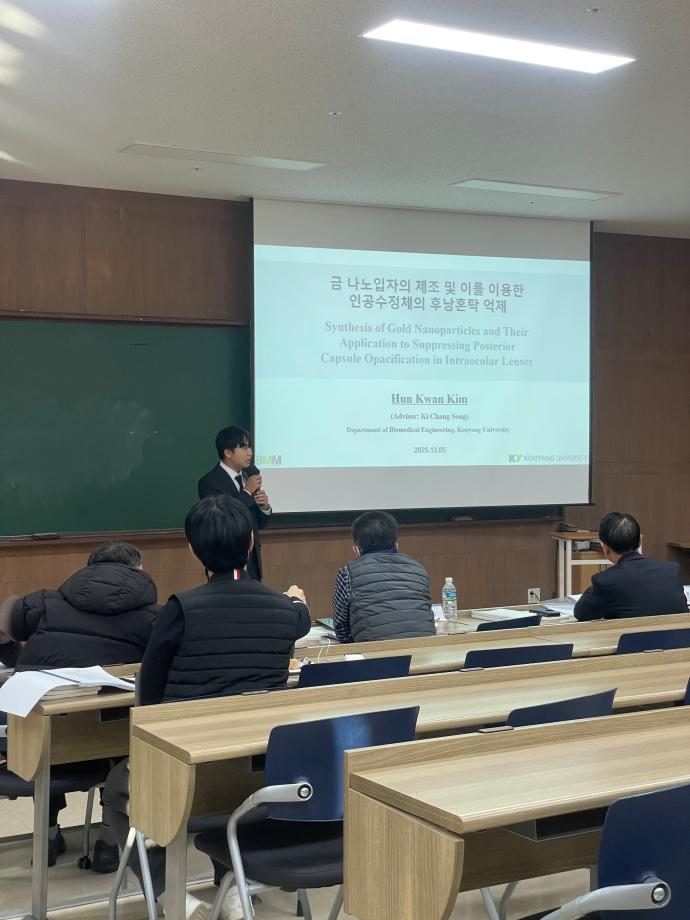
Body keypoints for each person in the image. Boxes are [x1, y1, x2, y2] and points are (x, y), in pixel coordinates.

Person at [105, 495, 310, 920]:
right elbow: (301, 619)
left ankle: (168, 894)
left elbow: (148, 697)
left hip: (189, 769)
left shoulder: (180, 610)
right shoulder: (284, 610)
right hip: (261, 772)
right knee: (226, 789)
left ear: (193, 549)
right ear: (251, 542)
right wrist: (296, 601)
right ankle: (231, 885)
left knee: (119, 787)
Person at [0, 541, 159, 870]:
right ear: (139, 571)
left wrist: (16, 656)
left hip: (35, 740)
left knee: (49, 720)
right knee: (119, 725)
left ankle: (47, 837)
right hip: (105, 743)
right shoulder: (153, 617)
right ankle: (109, 843)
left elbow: (5, 620)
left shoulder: (45, 601)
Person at [332, 510, 435, 643]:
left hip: (374, 652)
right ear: (396, 545)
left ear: (356, 549)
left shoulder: (347, 572)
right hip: (425, 647)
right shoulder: (418, 568)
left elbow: (341, 629)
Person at [574, 512, 689, 621]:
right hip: (679, 636)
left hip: (632, 636)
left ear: (605, 548)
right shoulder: (670, 570)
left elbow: (581, 613)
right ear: (639, 542)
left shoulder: (607, 581)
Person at [197, 426, 270, 581]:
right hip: (224, 564)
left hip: (252, 562)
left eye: (250, 447)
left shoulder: (248, 476)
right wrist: (247, 492)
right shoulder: (210, 482)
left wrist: (264, 507)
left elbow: (259, 523)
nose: (250, 453)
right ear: (228, 453)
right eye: (244, 448)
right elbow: (221, 519)